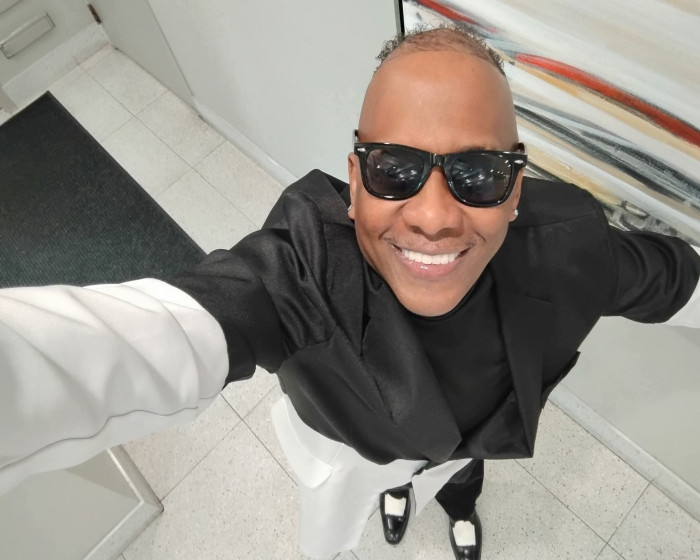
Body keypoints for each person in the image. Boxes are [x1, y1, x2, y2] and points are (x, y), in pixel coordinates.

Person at [1, 26, 699, 560]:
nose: (434, 216)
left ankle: (459, 506)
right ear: (355, 182)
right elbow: (156, 333)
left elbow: (675, 278)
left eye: (480, 175)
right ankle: (394, 496)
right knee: (363, 497)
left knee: (462, 473)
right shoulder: (297, 267)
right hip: (354, 452)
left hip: (470, 442)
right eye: (394, 169)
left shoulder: (571, 247)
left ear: (517, 190)